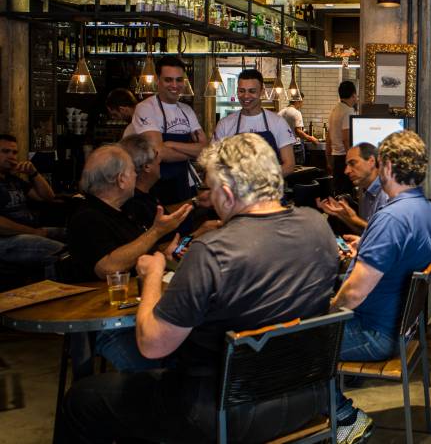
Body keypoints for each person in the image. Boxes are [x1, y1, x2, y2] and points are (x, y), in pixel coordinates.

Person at [63, 134, 340, 443]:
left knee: (82, 398)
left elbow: (153, 344)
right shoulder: (318, 226)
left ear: (225, 194)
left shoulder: (212, 251)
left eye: (208, 187)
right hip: (308, 398)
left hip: (224, 412)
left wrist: (153, 275)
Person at [329, 130, 431, 442]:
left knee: (290, 343)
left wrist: (321, 315)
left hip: (376, 333)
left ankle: (344, 417)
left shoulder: (391, 217)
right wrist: (366, 247)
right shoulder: (428, 212)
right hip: (403, 329)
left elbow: (352, 294)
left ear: (388, 167)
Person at [66, 145, 192, 371]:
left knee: (193, 351)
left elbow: (135, 257)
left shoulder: (124, 212)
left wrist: (163, 255)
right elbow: (107, 267)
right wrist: (156, 231)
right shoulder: (86, 217)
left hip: (141, 311)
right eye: (132, 171)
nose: (136, 175)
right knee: (163, 370)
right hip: (110, 322)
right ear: (121, 180)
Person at [127, 56, 207, 205]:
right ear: (158, 80)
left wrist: (170, 144)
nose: (174, 85)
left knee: (185, 224)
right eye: (168, 80)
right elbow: (158, 153)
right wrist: (191, 152)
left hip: (183, 182)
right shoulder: (146, 108)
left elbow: (205, 149)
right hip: (155, 184)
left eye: (179, 80)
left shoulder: (187, 111)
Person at [0, 133, 65, 275]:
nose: (11, 156)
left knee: (77, 235)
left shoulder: (14, 180)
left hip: (30, 231)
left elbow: (48, 196)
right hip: (6, 240)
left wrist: (33, 173)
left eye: (14, 152)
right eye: (5, 151)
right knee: (62, 253)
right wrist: (34, 232)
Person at [214, 69, 296, 175]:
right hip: (235, 189)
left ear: (262, 92)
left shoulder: (278, 123)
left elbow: (289, 165)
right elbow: (214, 162)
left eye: (252, 91)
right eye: (241, 91)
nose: (246, 96)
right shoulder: (225, 124)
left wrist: (261, 179)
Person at [317, 142, 388, 232]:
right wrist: (341, 215)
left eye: (352, 163)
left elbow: (384, 237)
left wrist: (354, 218)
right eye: (347, 165)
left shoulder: (387, 194)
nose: (346, 171)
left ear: (371, 161)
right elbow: (364, 232)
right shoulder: (365, 192)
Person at [118, 134, 163, 233]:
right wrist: (200, 231)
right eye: (156, 155)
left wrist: (195, 202)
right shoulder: (136, 205)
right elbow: (160, 246)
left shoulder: (148, 191)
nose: (160, 159)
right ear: (147, 166)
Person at [327, 80, 358, 196]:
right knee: (347, 195)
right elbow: (346, 138)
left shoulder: (334, 110)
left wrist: (328, 159)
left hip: (336, 158)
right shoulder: (348, 111)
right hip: (344, 158)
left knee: (339, 193)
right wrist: (352, 160)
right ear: (354, 95)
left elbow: (328, 137)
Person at [279, 94, 317, 166]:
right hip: (295, 146)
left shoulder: (280, 112)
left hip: (282, 146)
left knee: (286, 169)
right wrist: (311, 138)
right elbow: (298, 132)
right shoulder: (296, 113)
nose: (302, 104)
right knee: (298, 171)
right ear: (298, 101)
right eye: (302, 101)